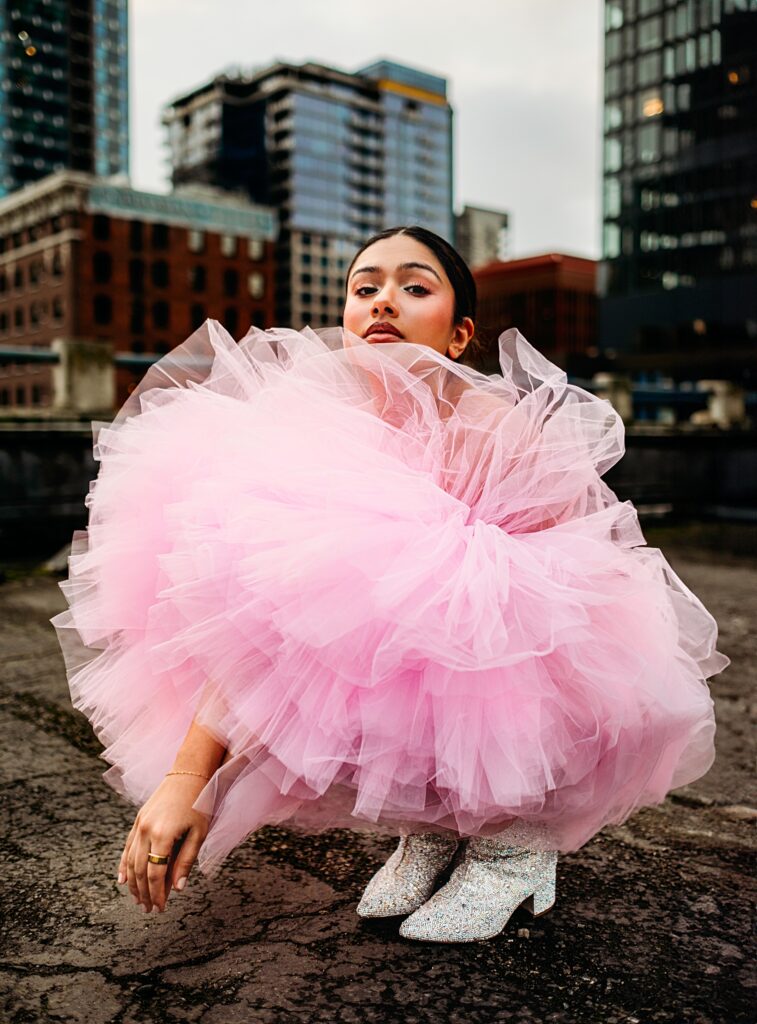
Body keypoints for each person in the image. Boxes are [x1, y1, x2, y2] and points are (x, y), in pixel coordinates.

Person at [51, 226, 730, 944]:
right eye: (363, 288)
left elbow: (567, 599)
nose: (382, 303)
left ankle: (516, 838)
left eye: (413, 287)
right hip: (435, 635)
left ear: (459, 333)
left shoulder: (492, 427)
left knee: (437, 596)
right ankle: (433, 823)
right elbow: (264, 625)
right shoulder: (330, 433)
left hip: (535, 646)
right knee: (326, 600)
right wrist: (186, 779)